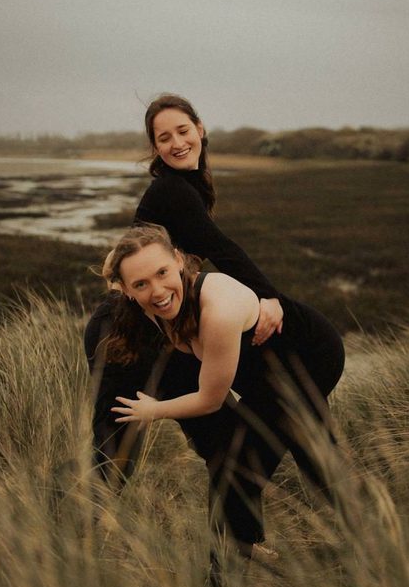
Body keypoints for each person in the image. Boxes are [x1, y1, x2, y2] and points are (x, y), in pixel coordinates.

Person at [103, 224, 345, 576]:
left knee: (236, 466)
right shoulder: (146, 306)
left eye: (162, 273)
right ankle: (366, 539)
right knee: (307, 454)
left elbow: (211, 400)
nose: (157, 291)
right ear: (125, 290)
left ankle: (221, 584)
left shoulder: (218, 308)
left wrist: (153, 410)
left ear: (178, 261)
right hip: (263, 371)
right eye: (140, 284)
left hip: (309, 358)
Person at [84, 94, 285, 489]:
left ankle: (238, 541)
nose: (176, 143)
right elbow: (219, 248)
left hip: (166, 326)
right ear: (155, 147)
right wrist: (269, 297)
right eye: (163, 138)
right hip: (123, 327)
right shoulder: (170, 190)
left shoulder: (189, 185)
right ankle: (82, 537)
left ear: (200, 128)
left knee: (227, 438)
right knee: (115, 448)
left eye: (182, 131)